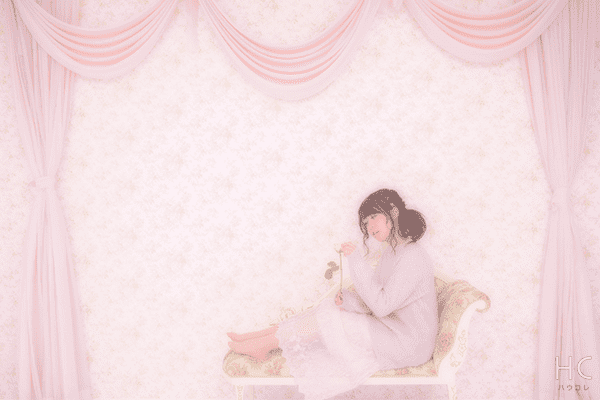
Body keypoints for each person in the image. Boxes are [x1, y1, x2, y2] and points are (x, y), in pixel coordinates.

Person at [227, 188, 438, 400]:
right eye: (366, 222)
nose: (369, 226)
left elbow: (381, 306)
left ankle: (262, 344)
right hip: (392, 330)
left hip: (408, 344)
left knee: (331, 317)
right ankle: (257, 338)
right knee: (330, 309)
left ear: (393, 212)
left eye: (374, 217)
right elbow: (379, 301)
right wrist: (350, 301)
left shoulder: (412, 257)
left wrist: (356, 260)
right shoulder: (392, 253)